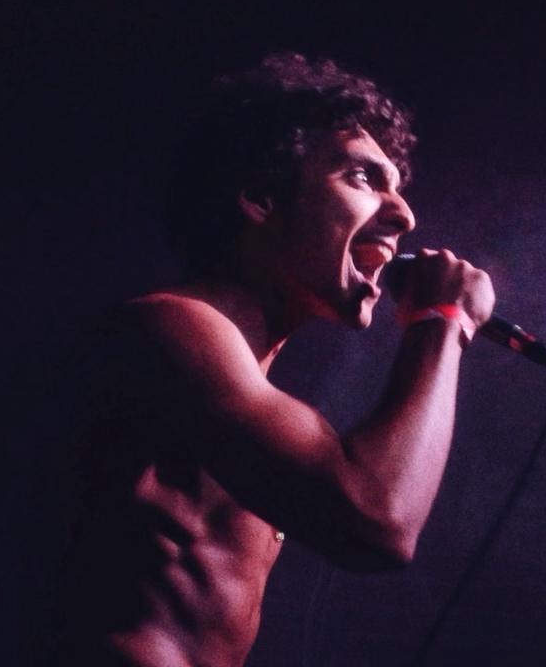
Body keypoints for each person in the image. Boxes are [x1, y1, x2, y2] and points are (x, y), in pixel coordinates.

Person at [56, 53, 495, 667]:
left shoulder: (254, 388)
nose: (404, 215)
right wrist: (441, 322)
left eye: (398, 187)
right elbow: (377, 521)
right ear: (261, 196)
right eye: (365, 180)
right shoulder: (167, 328)